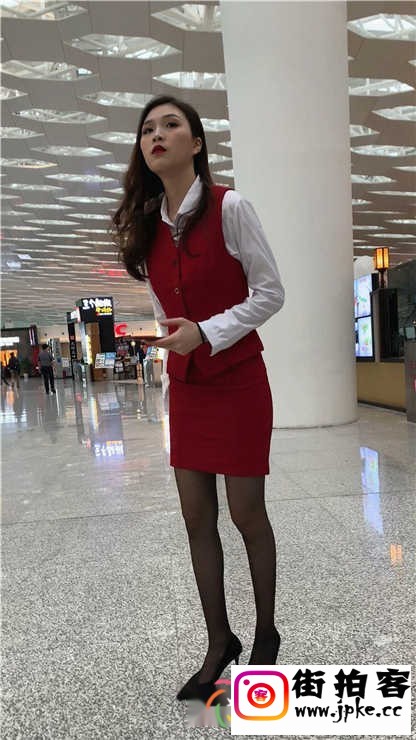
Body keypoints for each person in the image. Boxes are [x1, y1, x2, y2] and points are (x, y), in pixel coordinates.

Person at [112, 95, 285, 704]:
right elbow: (166, 311)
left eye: (171, 125)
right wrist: (174, 361)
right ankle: (219, 641)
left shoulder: (229, 207)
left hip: (238, 381)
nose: (156, 135)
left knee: (246, 514)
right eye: (147, 129)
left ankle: (265, 634)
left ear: (197, 143)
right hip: (187, 388)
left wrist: (207, 333)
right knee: (195, 518)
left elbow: (270, 292)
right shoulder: (146, 227)